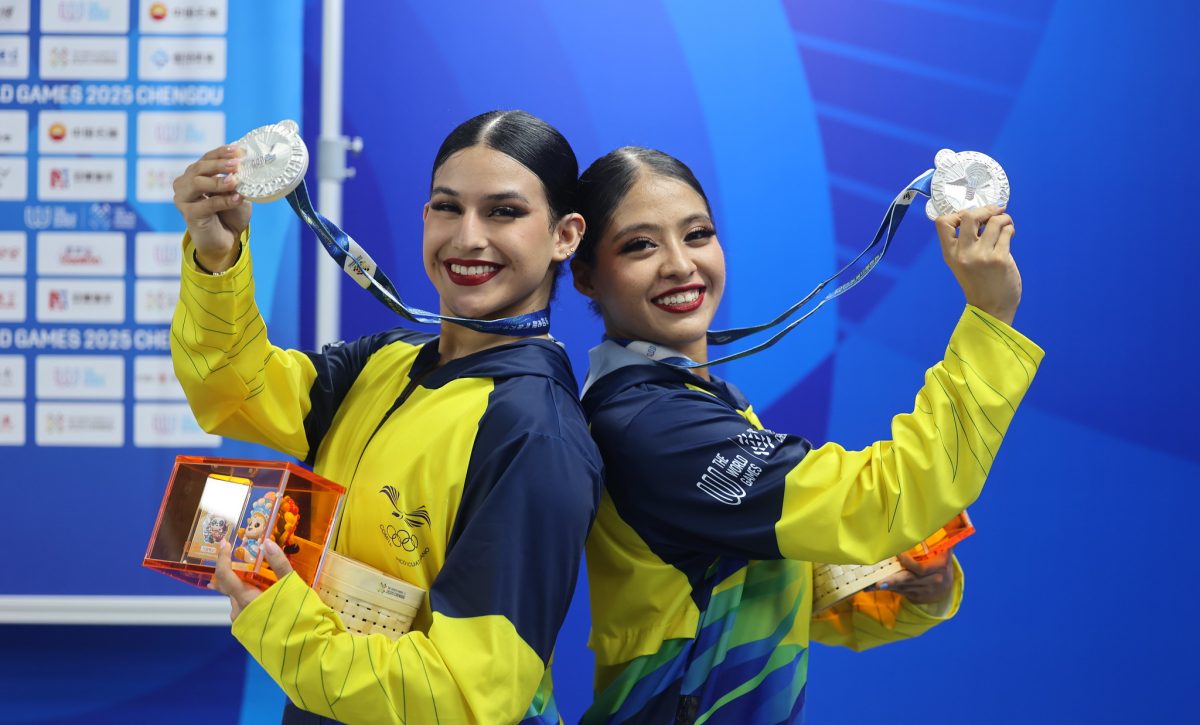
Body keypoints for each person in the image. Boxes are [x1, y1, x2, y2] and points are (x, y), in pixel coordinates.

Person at [569, 147, 1043, 724]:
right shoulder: (653, 428)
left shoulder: (701, 405)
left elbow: (784, 594)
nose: (679, 264)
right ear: (585, 273)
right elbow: (878, 502)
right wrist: (991, 318)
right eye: (639, 245)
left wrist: (911, 587)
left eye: (697, 234)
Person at [170, 111, 602, 725]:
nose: (468, 238)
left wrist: (278, 617)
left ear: (565, 235)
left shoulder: (537, 434)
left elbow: (465, 697)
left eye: (504, 212)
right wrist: (219, 259)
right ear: (425, 218)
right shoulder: (385, 362)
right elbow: (236, 393)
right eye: (448, 208)